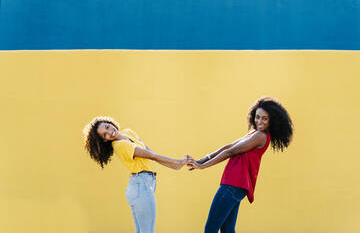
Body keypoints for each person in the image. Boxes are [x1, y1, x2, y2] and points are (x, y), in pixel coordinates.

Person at [188, 97, 293, 233]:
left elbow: (230, 152)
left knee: (210, 228)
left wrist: (202, 166)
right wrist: (200, 161)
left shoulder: (261, 136)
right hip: (237, 186)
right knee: (227, 229)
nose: (259, 121)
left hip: (233, 184)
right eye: (257, 117)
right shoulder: (254, 133)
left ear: (271, 121)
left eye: (264, 119)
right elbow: (228, 146)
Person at [83, 116, 189, 233]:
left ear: (110, 123)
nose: (110, 132)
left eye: (107, 127)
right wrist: (177, 162)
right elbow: (150, 155)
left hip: (141, 186)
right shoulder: (120, 145)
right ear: (105, 140)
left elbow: (152, 153)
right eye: (105, 134)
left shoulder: (128, 133)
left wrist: (175, 165)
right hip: (140, 186)